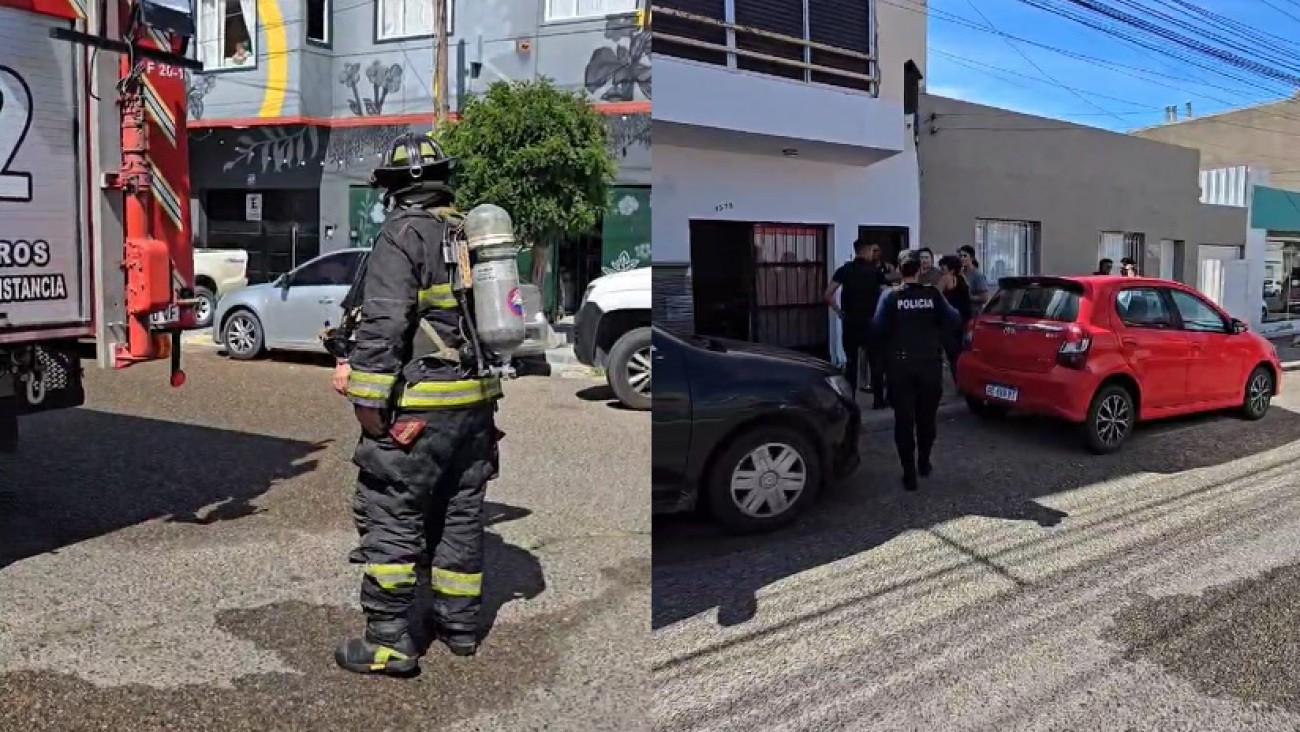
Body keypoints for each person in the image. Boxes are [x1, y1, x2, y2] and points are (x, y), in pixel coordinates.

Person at [336, 131, 504, 677]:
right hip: (475, 409)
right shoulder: (468, 236)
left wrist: (368, 398)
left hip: (419, 407)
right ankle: (459, 627)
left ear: (392, 189)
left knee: (392, 511)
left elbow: (384, 321)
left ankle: (388, 639)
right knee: (459, 513)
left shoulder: (401, 236)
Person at [873, 257, 962, 491]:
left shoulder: (891, 296)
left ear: (900, 271)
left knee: (904, 420)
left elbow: (878, 329)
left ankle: (909, 474)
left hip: (900, 366)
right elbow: (954, 319)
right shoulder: (932, 294)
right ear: (920, 272)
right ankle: (924, 463)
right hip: (929, 364)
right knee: (926, 418)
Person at [826, 239, 889, 407]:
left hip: (851, 322)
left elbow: (827, 294)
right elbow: (885, 295)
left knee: (851, 363)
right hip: (872, 322)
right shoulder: (875, 272)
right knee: (876, 362)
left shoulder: (845, 270)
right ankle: (878, 400)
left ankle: (850, 400)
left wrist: (840, 313)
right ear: (868, 250)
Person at [937, 255, 972, 381]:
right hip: (964, 319)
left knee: (953, 355)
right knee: (962, 353)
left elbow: (936, 298)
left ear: (950, 268)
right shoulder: (963, 278)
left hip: (949, 322)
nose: (940, 269)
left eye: (943, 267)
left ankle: (959, 381)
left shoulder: (945, 278)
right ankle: (965, 380)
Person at [957, 245, 990, 309]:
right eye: (960, 256)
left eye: (965, 256)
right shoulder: (960, 273)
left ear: (971, 258)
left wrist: (968, 297)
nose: (962, 258)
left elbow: (984, 298)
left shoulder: (977, 275)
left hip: (974, 312)